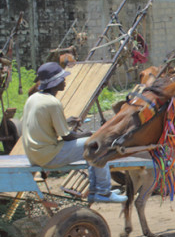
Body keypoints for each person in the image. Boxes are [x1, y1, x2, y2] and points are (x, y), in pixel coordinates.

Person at [21, 62, 127, 203]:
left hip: (34, 155)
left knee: (90, 148)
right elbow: (67, 136)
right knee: (97, 145)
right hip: (48, 156)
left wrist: (66, 121)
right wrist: (89, 134)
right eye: (62, 78)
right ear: (55, 82)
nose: (65, 81)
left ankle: (96, 190)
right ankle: (103, 191)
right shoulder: (53, 103)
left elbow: (45, 124)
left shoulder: (33, 99)